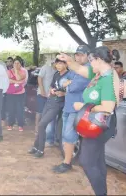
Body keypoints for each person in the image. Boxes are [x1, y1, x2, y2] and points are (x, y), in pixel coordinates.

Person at [56, 46, 122, 196]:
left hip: (101, 124)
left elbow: (108, 107)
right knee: (98, 161)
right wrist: (69, 60)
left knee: (86, 161)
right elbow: (79, 69)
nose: (89, 63)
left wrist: (83, 107)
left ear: (99, 60)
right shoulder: (98, 73)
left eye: (91, 60)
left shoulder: (108, 79)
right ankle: (102, 192)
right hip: (93, 123)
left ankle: (100, 193)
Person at [52, 45, 91, 173]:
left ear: (87, 56)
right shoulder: (75, 69)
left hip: (77, 108)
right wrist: (67, 84)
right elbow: (64, 81)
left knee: (69, 136)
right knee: (65, 135)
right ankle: (66, 161)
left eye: (82, 55)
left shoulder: (87, 69)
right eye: (77, 55)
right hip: (68, 107)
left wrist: (68, 84)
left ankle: (67, 163)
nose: (78, 57)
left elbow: (72, 87)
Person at [28, 58, 69, 158]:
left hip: (58, 103)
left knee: (42, 125)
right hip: (50, 100)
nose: (58, 66)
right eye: (57, 64)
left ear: (66, 64)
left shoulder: (70, 75)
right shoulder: (56, 74)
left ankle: (41, 150)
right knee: (41, 123)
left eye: (60, 63)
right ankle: (35, 146)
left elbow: (72, 91)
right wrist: (51, 90)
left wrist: (63, 93)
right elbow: (51, 86)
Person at [5, 57, 27, 132]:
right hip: (10, 93)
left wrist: (17, 71)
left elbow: (18, 78)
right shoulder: (8, 71)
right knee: (11, 109)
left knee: (20, 109)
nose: (16, 64)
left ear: (21, 64)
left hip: (20, 94)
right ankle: (10, 124)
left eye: (18, 63)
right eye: (15, 63)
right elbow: (8, 80)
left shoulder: (23, 72)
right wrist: (18, 82)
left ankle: (20, 125)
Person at [35, 61, 56, 134]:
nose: (57, 65)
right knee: (39, 111)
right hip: (41, 93)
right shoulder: (46, 67)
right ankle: (37, 127)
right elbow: (39, 78)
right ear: (53, 62)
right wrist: (42, 90)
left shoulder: (58, 72)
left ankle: (45, 129)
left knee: (48, 113)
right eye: (56, 63)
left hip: (51, 95)